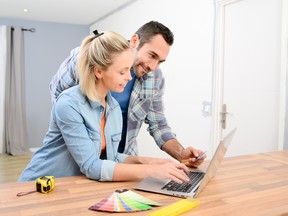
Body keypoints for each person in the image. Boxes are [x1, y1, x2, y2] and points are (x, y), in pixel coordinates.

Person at [18, 30, 191, 183]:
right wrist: (150, 171)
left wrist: (153, 162)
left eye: (128, 70)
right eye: (122, 72)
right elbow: (91, 166)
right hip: (40, 184)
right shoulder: (68, 103)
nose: (129, 77)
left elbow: (112, 157)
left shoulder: (113, 107)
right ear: (98, 71)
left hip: (74, 185)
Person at [49, 21, 206, 168]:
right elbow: (60, 97)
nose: (153, 66)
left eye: (160, 61)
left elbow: (158, 123)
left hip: (123, 159)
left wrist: (181, 154)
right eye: (152, 55)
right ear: (134, 41)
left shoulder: (154, 78)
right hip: (82, 160)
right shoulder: (88, 57)